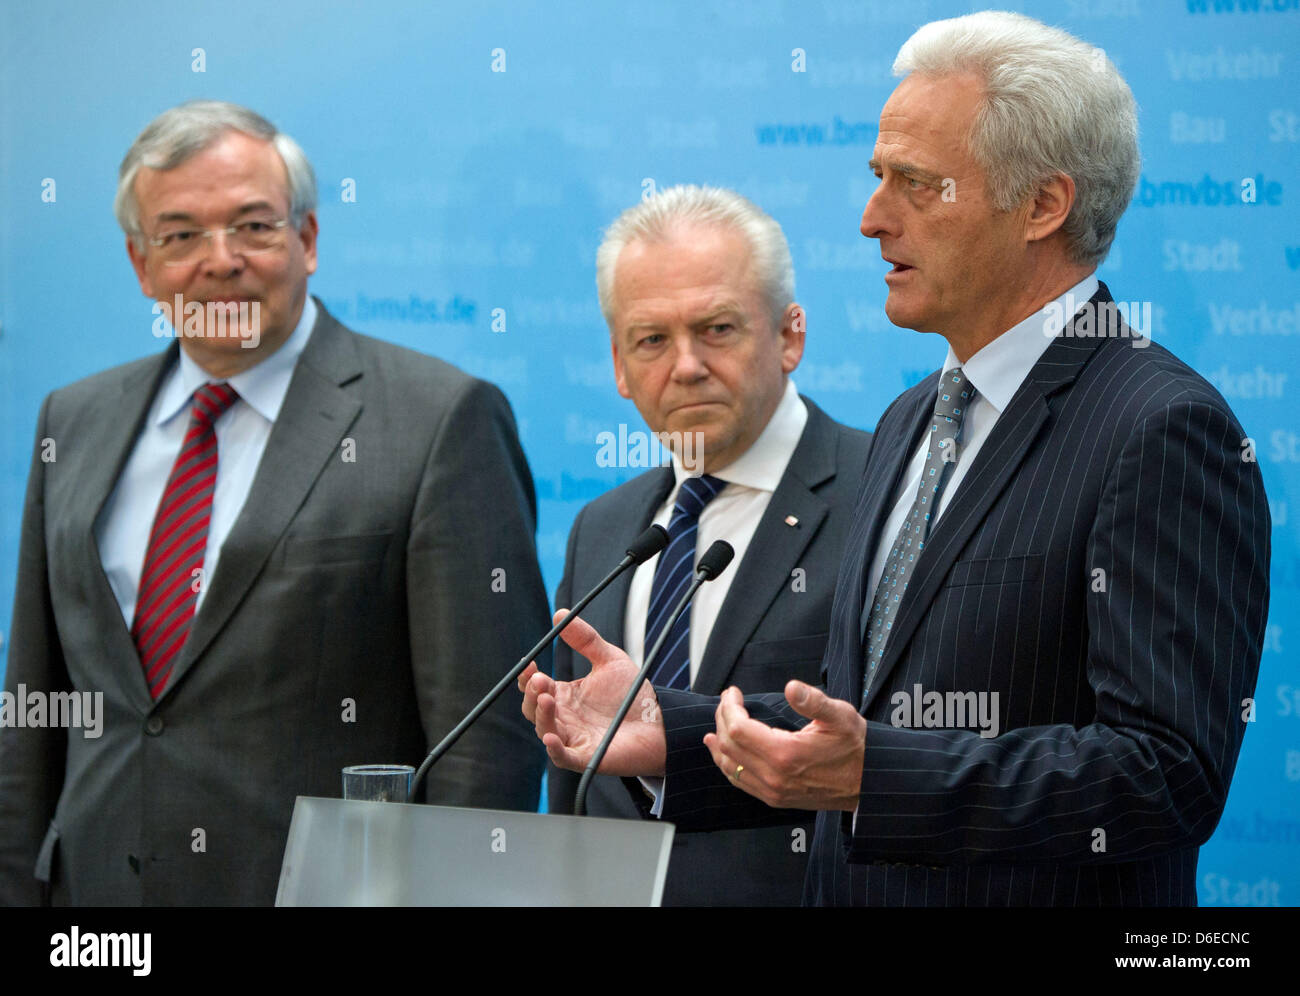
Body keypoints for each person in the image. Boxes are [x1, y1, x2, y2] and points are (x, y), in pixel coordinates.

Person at [521, 11, 1270, 906]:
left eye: (916, 184)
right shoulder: (914, 417)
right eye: (878, 178)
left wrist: (879, 777)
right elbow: (856, 721)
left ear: (1043, 204)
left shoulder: (1161, 426)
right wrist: (673, 732)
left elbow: (1164, 773)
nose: (873, 219)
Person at [0, 100, 550, 906]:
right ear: (140, 264)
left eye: (253, 226)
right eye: (180, 235)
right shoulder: (71, 422)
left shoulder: (438, 420)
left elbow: (487, 741)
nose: (219, 260)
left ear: (309, 239)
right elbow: (37, 712)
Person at [548, 186, 871, 905]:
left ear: (790, 336)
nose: (686, 365)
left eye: (718, 328)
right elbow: (573, 781)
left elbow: (901, 745)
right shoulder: (602, 530)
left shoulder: (884, 495)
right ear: (620, 367)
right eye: (652, 339)